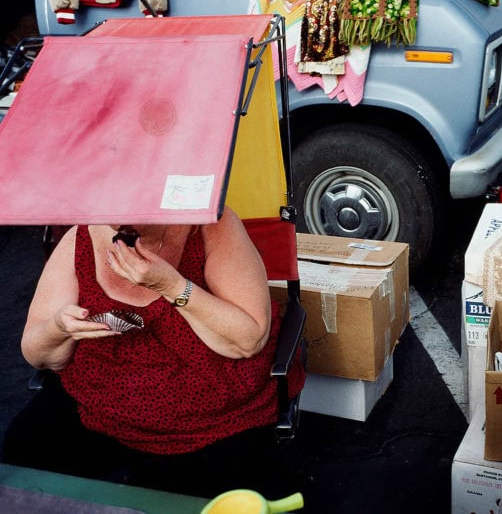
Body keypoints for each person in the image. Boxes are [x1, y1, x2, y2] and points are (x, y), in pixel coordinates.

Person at [1, 206, 305, 497]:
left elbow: (247, 340)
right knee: (21, 456)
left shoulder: (213, 225)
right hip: (99, 406)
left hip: (211, 418)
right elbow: (37, 354)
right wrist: (59, 328)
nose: (117, 220)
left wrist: (171, 286)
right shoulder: (81, 236)